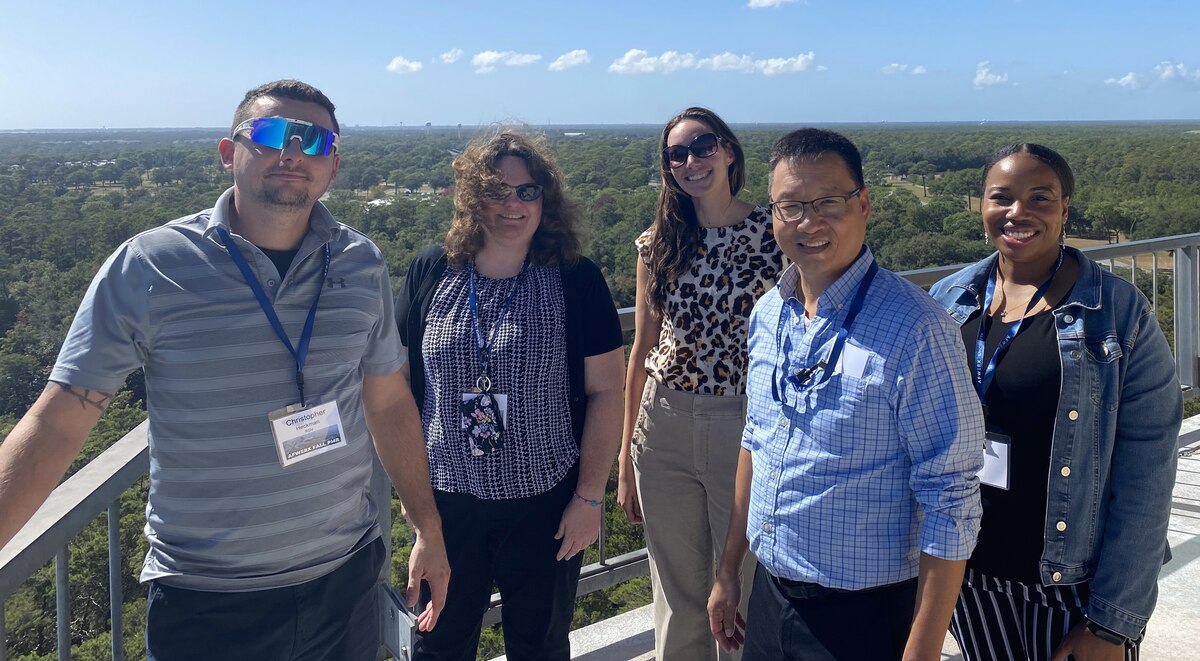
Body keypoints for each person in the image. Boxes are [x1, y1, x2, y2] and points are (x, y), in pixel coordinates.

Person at [0, 80, 450, 660]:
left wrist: (427, 527)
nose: (292, 153)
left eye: (314, 141)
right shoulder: (150, 266)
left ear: (332, 166)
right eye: (269, 134)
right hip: (206, 599)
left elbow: (387, 402)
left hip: (346, 581)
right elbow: (59, 422)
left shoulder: (360, 263)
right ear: (227, 153)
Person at [707, 128, 985, 661]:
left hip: (864, 615)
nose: (808, 223)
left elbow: (950, 496)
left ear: (863, 204)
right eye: (789, 206)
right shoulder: (769, 313)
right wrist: (727, 573)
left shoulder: (918, 329)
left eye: (828, 203)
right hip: (771, 592)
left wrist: (922, 648)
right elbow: (756, 444)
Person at [928, 143, 1181, 661]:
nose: (1018, 212)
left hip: (1071, 583)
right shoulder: (950, 299)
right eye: (1002, 197)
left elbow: (1148, 473)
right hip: (970, 572)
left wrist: (1112, 623)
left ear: (1065, 209)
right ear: (981, 207)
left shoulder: (1116, 311)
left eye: (1039, 198)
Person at [395, 129, 625, 661]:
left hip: (546, 502)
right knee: (440, 643)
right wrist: (416, 505)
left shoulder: (576, 279)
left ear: (547, 200)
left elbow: (606, 392)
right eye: (496, 191)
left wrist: (589, 497)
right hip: (448, 502)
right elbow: (398, 391)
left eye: (526, 192)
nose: (512, 205)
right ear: (472, 199)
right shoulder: (432, 271)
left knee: (540, 645)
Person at [617, 107, 781, 661]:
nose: (691, 161)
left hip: (744, 421)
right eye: (677, 154)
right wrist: (624, 459)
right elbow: (641, 350)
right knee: (677, 590)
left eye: (703, 146)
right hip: (661, 424)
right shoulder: (657, 243)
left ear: (729, 151)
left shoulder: (774, 234)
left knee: (742, 588)